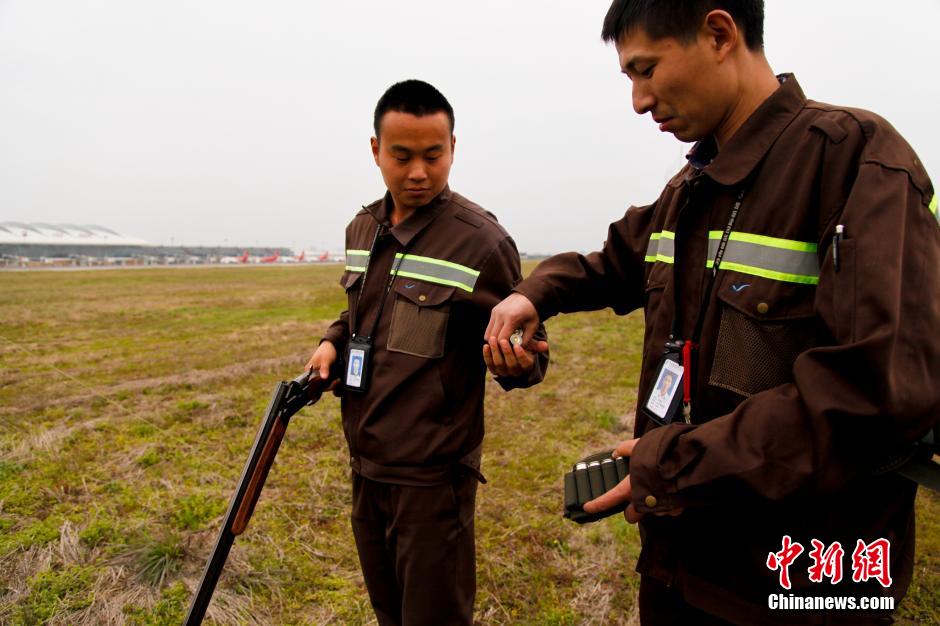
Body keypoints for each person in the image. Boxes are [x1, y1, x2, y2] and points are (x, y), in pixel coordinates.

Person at [484, 2, 939, 624]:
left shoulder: (856, 161)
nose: (639, 101)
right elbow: (618, 259)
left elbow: (868, 395)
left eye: (646, 70)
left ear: (719, 34)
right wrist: (534, 293)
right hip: (680, 563)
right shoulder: (693, 184)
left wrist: (672, 466)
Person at [306, 79, 548, 626]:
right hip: (366, 466)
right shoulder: (362, 228)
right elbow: (360, 315)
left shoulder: (482, 242)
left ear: (453, 148)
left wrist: (522, 364)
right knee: (388, 613)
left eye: (433, 155)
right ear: (375, 151)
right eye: (402, 155)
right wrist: (332, 341)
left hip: (433, 481)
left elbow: (534, 350)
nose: (418, 172)